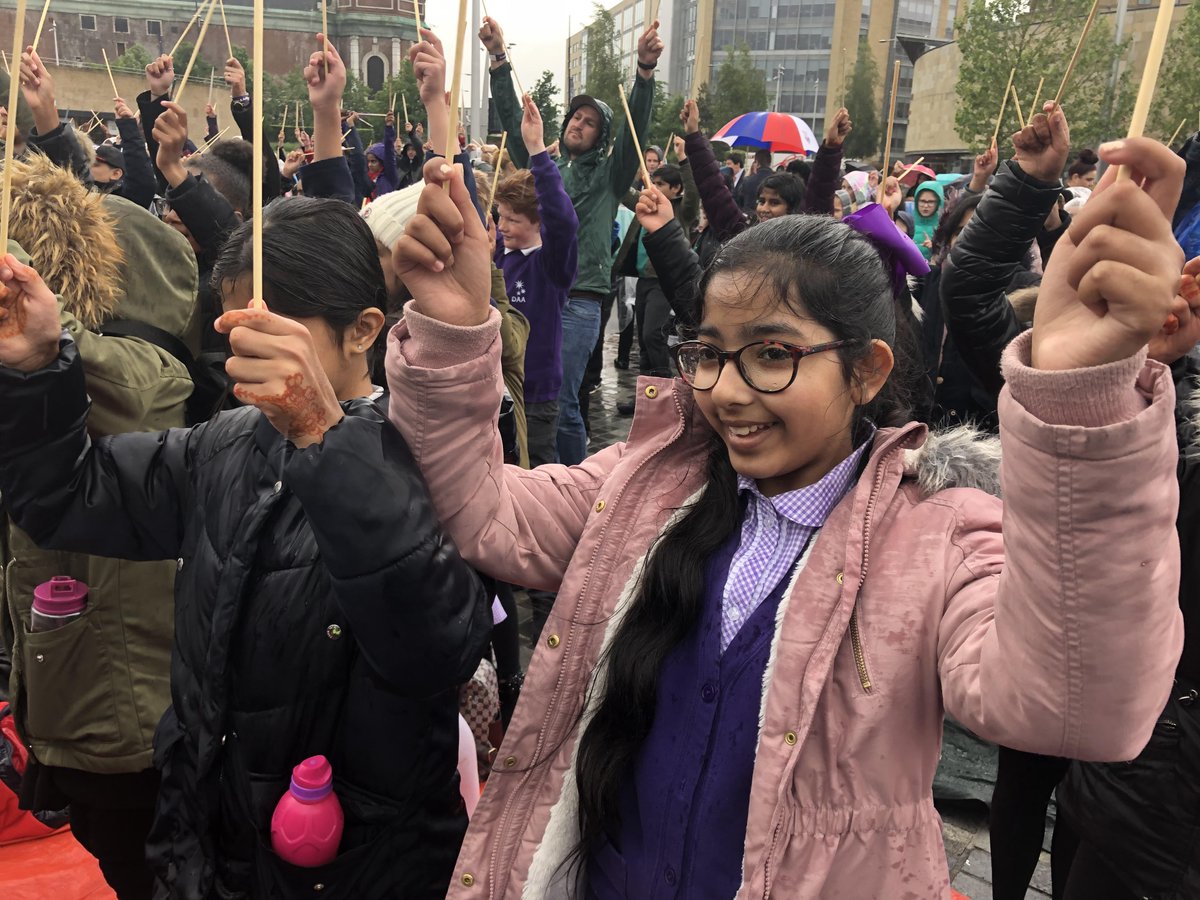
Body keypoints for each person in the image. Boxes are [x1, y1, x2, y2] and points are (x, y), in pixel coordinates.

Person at [384, 130, 1185, 898]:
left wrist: (1080, 402)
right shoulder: (646, 485)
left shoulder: (939, 536)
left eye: (773, 355)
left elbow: (1076, 704)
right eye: (709, 354)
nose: (729, 392)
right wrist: (454, 329)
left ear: (867, 371)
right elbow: (483, 512)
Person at [0, 186, 492, 897]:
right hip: (209, 837)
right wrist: (38, 364)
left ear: (363, 330)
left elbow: (433, 646)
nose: (247, 358)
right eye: (237, 334)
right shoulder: (227, 442)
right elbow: (65, 498)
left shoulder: (426, 447)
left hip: (355, 864)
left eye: (275, 332)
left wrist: (322, 434)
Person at [3, 152, 197, 900]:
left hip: (132, 722)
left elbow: (134, 391)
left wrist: (34, 314)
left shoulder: (139, 377)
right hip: (70, 696)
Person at [479, 13, 663, 464]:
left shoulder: (610, 174)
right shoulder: (545, 169)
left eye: (590, 122)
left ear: (602, 138)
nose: (578, 124)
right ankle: (533, 470)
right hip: (535, 294)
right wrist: (499, 59)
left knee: (561, 402)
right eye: (575, 117)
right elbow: (516, 124)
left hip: (580, 297)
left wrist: (644, 72)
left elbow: (635, 130)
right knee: (526, 395)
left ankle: (574, 481)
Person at [492, 93, 580, 467]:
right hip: (497, 388)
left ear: (538, 223)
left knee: (537, 472)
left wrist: (537, 152)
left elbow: (563, 221)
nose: (502, 226)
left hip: (537, 395)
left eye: (513, 220)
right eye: (500, 216)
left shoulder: (552, 265)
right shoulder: (498, 253)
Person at [15, 49, 156, 210]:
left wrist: (128, 127)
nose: (88, 168)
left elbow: (142, 184)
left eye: (95, 164)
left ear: (116, 173)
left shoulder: (118, 206)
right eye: (86, 163)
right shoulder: (51, 199)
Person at [911, 180, 945, 260]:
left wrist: (935, 248)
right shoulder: (907, 224)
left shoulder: (944, 228)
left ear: (938, 203)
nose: (926, 206)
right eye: (922, 201)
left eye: (931, 202)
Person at [736, 148, 772, 214]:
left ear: (757, 162)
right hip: (771, 216)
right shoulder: (777, 179)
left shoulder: (747, 180)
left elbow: (739, 200)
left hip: (749, 216)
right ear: (769, 163)